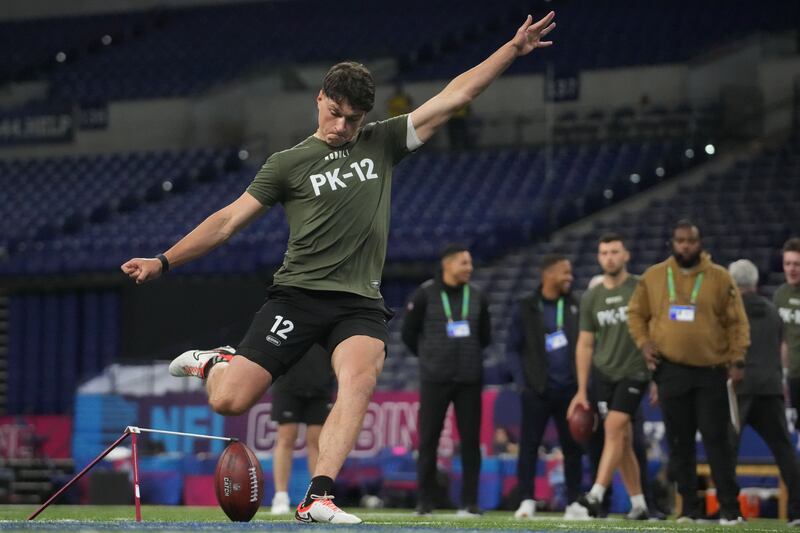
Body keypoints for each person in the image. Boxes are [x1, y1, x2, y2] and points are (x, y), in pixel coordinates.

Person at [120, 12, 557, 524]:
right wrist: (164, 260)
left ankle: (318, 496)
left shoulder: (383, 141)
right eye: (334, 113)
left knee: (361, 378)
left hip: (359, 301)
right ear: (319, 100)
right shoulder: (287, 163)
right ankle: (217, 362)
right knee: (229, 402)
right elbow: (226, 222)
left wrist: (510, 49)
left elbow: (455, 97)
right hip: (298, 296)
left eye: (353, 118)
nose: (342, 127)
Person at [627, 220, 750, 524]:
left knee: (716, 440)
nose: (685, 246)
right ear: (672, 243)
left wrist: (737, 359)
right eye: (680, 241)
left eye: (690, 241)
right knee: (679, 444)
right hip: (671, 371)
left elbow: (737, 322)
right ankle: (688, 510)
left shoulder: (720, 278)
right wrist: (643, 343)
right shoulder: (654, 277)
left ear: (701, 243)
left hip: (710, 371)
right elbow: (635, 314)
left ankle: (730, 510)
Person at [401, 244, 491, 516]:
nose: (470, 268)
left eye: (470, 263)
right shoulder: (426, 293)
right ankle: (425, 501)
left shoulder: (477, 296)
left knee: (471, 441)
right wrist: (430, 358)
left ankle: (469, 502)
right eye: (464, 263)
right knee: (428, 440)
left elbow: (485, 336)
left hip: (469, 378)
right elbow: (408, 333)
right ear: (448, 264)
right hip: (435, 378)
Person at [567, 233, 652, 520]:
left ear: (626, 255)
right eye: (604, 253)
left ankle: (595, 495)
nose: (609, 258)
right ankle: (639, 504)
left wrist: (659, 376)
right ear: (598, 257)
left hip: (636, 370)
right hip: (605, 374)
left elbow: (657, 331)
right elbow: (585, 343)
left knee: (613, 428)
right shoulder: (592, 296)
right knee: (623, 439)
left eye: (615, 251)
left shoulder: (640, 288)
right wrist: (581, 389)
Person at [506, 254, 583, 519]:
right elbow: (512, 349)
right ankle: (526, 499)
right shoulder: (526, 307)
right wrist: (522, 383)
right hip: (536, 390)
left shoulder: (575, 305)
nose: (569, 278)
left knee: (573, 447)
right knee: (529, 446)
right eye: (565, 273)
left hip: (569, 390)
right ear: (548, 275)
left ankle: (574, 501)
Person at [728, 259, 800, 526]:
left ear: (732, 285)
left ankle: (731, 510)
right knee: (784, 450)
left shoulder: (730, 312)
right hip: (770, 386)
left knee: (728, 450)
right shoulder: (773, 310)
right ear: (755, 283)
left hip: (741, 388)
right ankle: (797, 512)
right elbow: (782, 348)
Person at [270, 345, 334, 514]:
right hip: (288, 385)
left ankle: (318, 497)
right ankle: (280, 496)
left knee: (317, 443)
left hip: (321, 386)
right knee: (285, 439)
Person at [775, 237, 800, 416]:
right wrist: (783, 373)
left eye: (797, 264)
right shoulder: (780, 294)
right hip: (791, 376)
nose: (791, 269)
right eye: (788, 263)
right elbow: (781, 337)